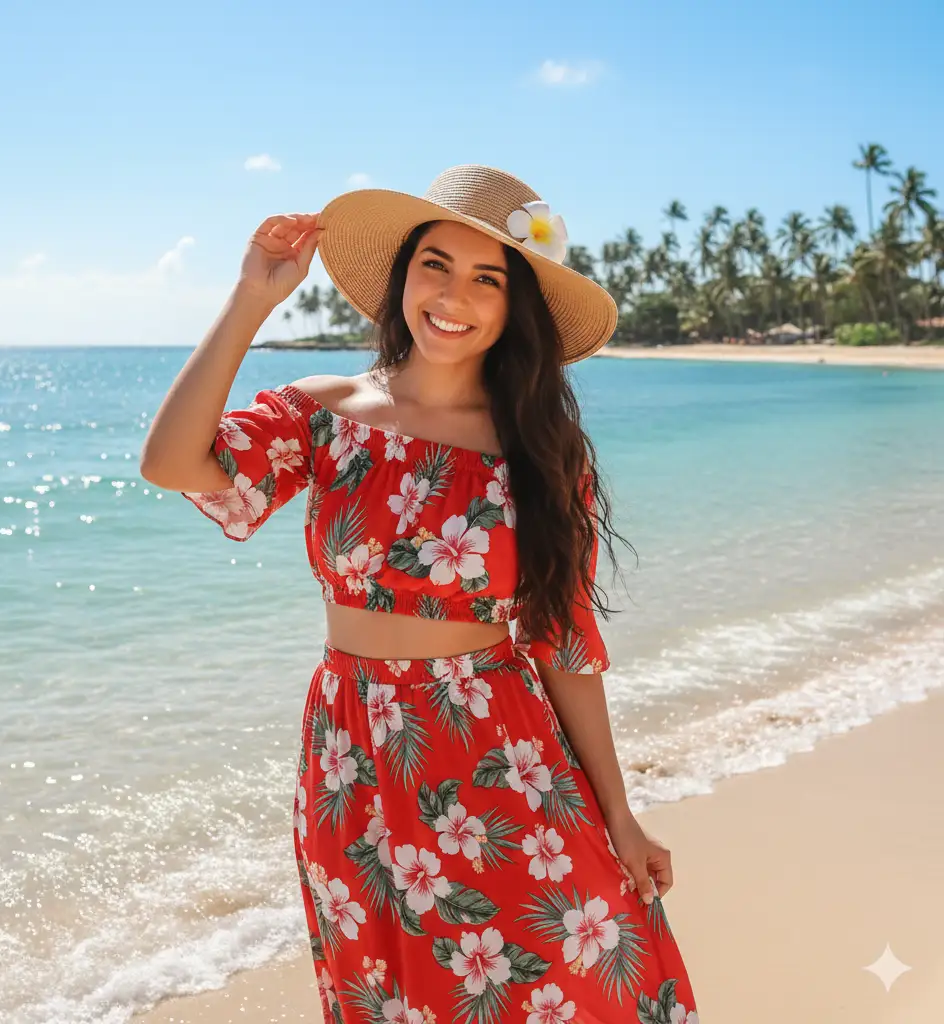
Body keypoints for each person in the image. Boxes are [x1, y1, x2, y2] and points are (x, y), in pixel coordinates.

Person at [141, 165, 699, 1024]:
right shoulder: (326, 413)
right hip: (350, 752)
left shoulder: (542, 452)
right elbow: (174, 463)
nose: (454, 295)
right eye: (435, 265)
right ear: (403, 278)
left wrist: (619, 814)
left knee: (563, 977)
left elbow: (564, 642)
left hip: (498, 748)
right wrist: (252, 302)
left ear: (514, 307)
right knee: (391, 990)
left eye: (488, 279)